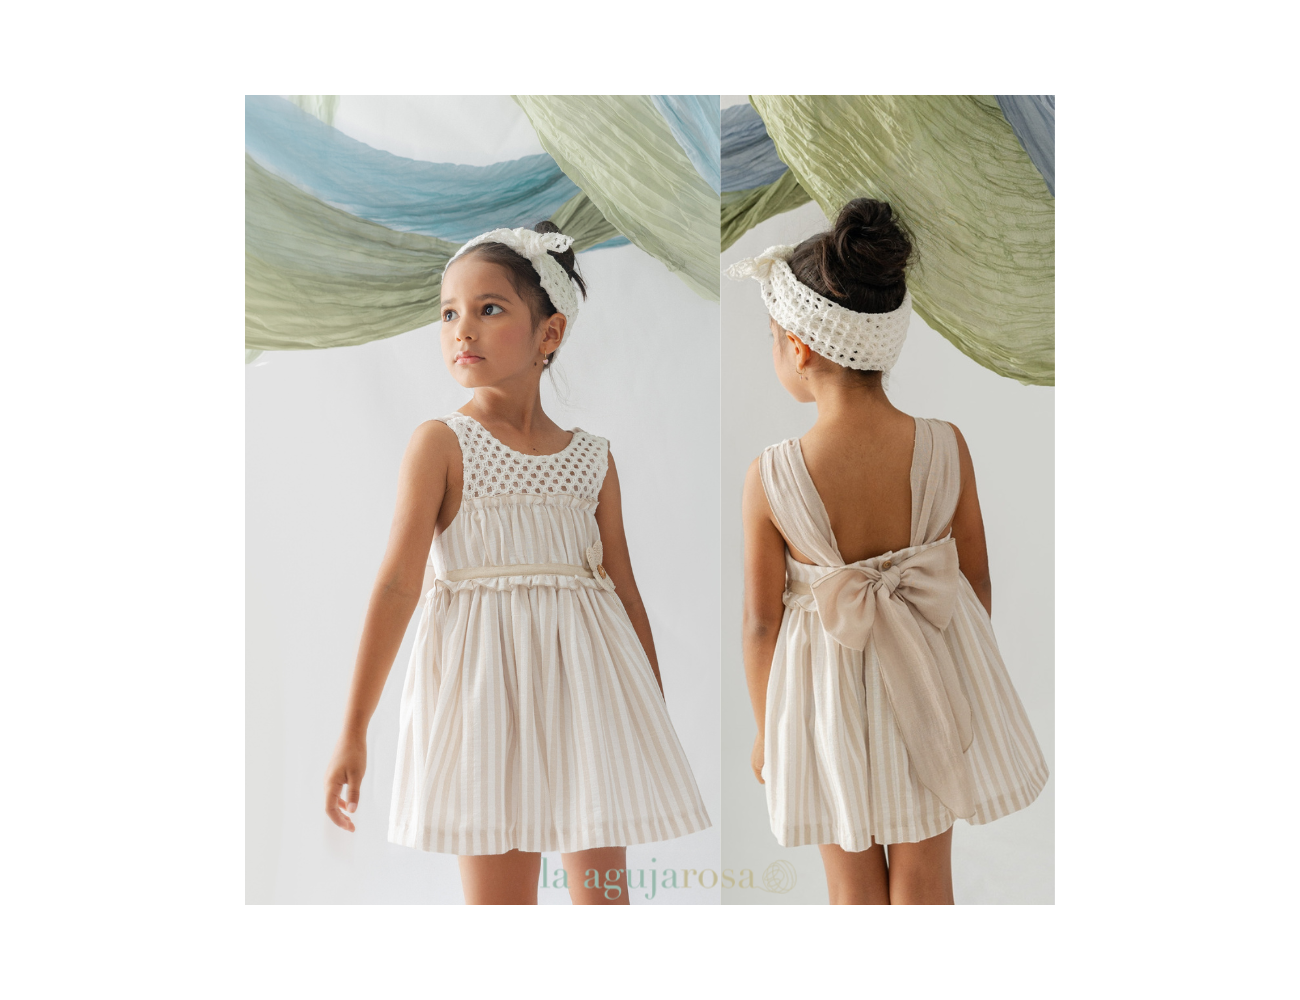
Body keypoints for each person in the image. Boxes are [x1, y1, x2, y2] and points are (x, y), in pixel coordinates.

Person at [324, 222, 711, 904]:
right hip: (483, 708)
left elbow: (624, 591)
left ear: (549, 334)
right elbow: (397, 585)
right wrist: (353, 730)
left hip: (591, 702)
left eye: (488, 308)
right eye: (449, 313)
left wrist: (649, 710)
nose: (462, 330)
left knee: (606, 905)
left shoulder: (593, 459)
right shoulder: (441, 445)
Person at [729, 199, 1048, 905]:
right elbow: (973, 580)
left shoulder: (771, 475)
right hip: (929, 685)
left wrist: (766, 731)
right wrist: (954, 666)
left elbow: (759, 623)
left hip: (824, 703)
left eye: (774, 337)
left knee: (852, 890)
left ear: (800, 348)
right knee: (926, 881)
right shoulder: (945, 444)